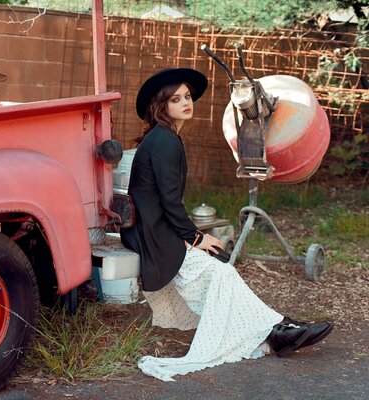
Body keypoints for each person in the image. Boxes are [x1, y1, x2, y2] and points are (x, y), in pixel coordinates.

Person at [120, 67, 333, 382]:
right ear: (161, 106)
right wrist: (194, 238)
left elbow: (165, 201)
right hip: (153, 234)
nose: (185, 103)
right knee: (220, 271)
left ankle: (277, 328)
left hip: (154, 228)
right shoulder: (164, 141)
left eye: (188, 97)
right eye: (176, 99)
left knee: (221, 272)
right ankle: (276, 331)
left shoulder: (164, 137)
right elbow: (169, 201)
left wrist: (191, 236)